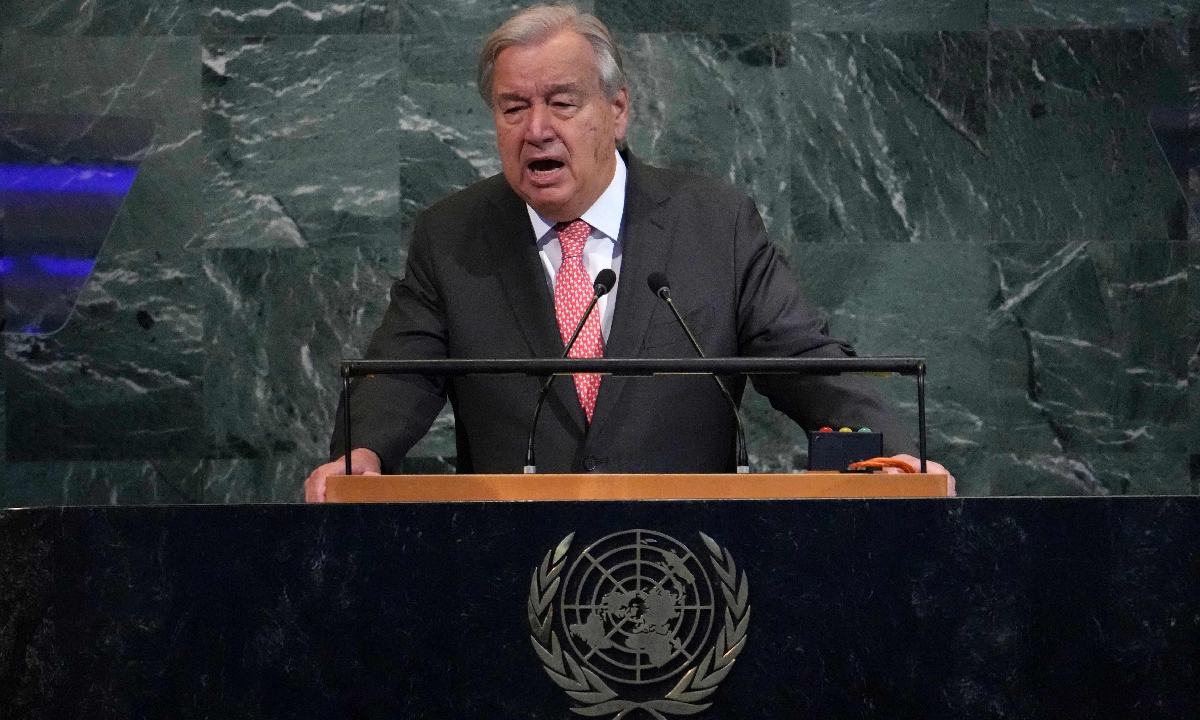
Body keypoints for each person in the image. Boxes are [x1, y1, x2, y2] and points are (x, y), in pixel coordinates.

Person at [305, 5, 952, 502]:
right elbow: (396, 373)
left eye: (561, 102)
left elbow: (805, 362)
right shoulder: (452, 236)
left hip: (694, 569)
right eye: (513, 107)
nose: (536, 130)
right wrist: (362, 452)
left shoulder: (713, 223)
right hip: (510, 571)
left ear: (616, 111)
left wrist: (893, 457)